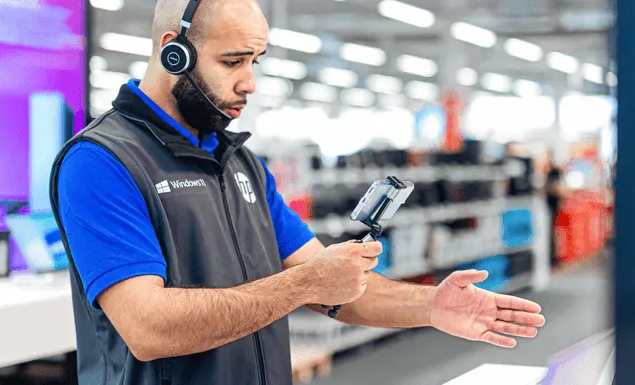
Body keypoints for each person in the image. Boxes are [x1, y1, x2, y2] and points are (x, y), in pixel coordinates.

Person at [49, 1, 546, 384]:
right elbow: (149, 328)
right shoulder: (101, 161)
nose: (250, 82)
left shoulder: (240, 163)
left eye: (256, 60)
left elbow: (331, 284)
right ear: (171, 51)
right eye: (232, 61)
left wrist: (432, 306)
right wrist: (305, 284)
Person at [544, 148, 565, 266]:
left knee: (554, 232)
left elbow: (558, 188)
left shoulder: (555, 172)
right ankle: (553, 257)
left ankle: (554, 257)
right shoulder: (549, 172)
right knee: (551, 232)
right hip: (551, 204)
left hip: (553, 204)